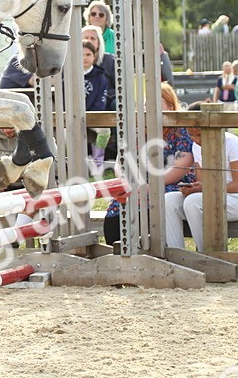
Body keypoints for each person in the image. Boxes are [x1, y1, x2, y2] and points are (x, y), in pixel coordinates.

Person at [103, 83, 195, 245]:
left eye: (154, 104)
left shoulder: (181, 131)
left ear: (171, 107)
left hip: (169, 184)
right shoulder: (137, 130)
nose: (148, 108)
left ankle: (153, 251)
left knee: (155, 200)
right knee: (119, 204)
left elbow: (182, 166)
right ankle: (118, 253)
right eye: (146, 104)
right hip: (138, 185)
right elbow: (121, 161)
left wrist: (150, 186)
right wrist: (129, 183)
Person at [164, 114, 238, 251]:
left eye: (199, 135)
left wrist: (203, 189)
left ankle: (206, 254)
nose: (196, 140)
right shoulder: (196, 146)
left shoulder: (232, 143)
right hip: (213, 196)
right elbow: (202, 183)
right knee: (169, 200)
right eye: (191, 135)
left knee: (193, 202)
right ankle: (177, 255)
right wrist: (192, 188)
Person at [83, 41, 110, 170]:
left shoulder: (100, 78)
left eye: (88, 54)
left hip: (93, 116)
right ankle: (68, 165)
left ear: (94, 56)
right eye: (81, 54)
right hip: (72, 117)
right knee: (65, 135)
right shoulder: (68, 76)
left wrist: (90, 116)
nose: (84, 58)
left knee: (105, 131)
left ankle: (97, 164)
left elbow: (101, 101)